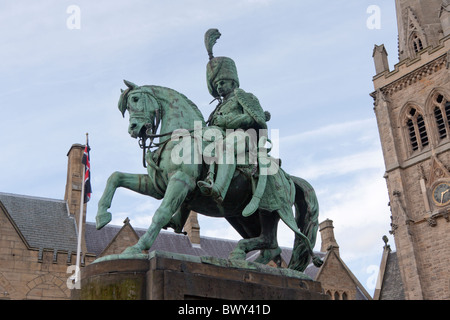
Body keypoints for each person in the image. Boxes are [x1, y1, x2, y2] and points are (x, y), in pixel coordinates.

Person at [197, 29, 270, 204]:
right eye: (217, 84)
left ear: (233, 82)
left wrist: (228, 121)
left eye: (222, 82)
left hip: (244, 137)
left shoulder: (243, 96)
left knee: (226, 146)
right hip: (219, 136)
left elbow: (254, 118)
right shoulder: (216, 108)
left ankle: (219, 189)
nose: (220, 86)